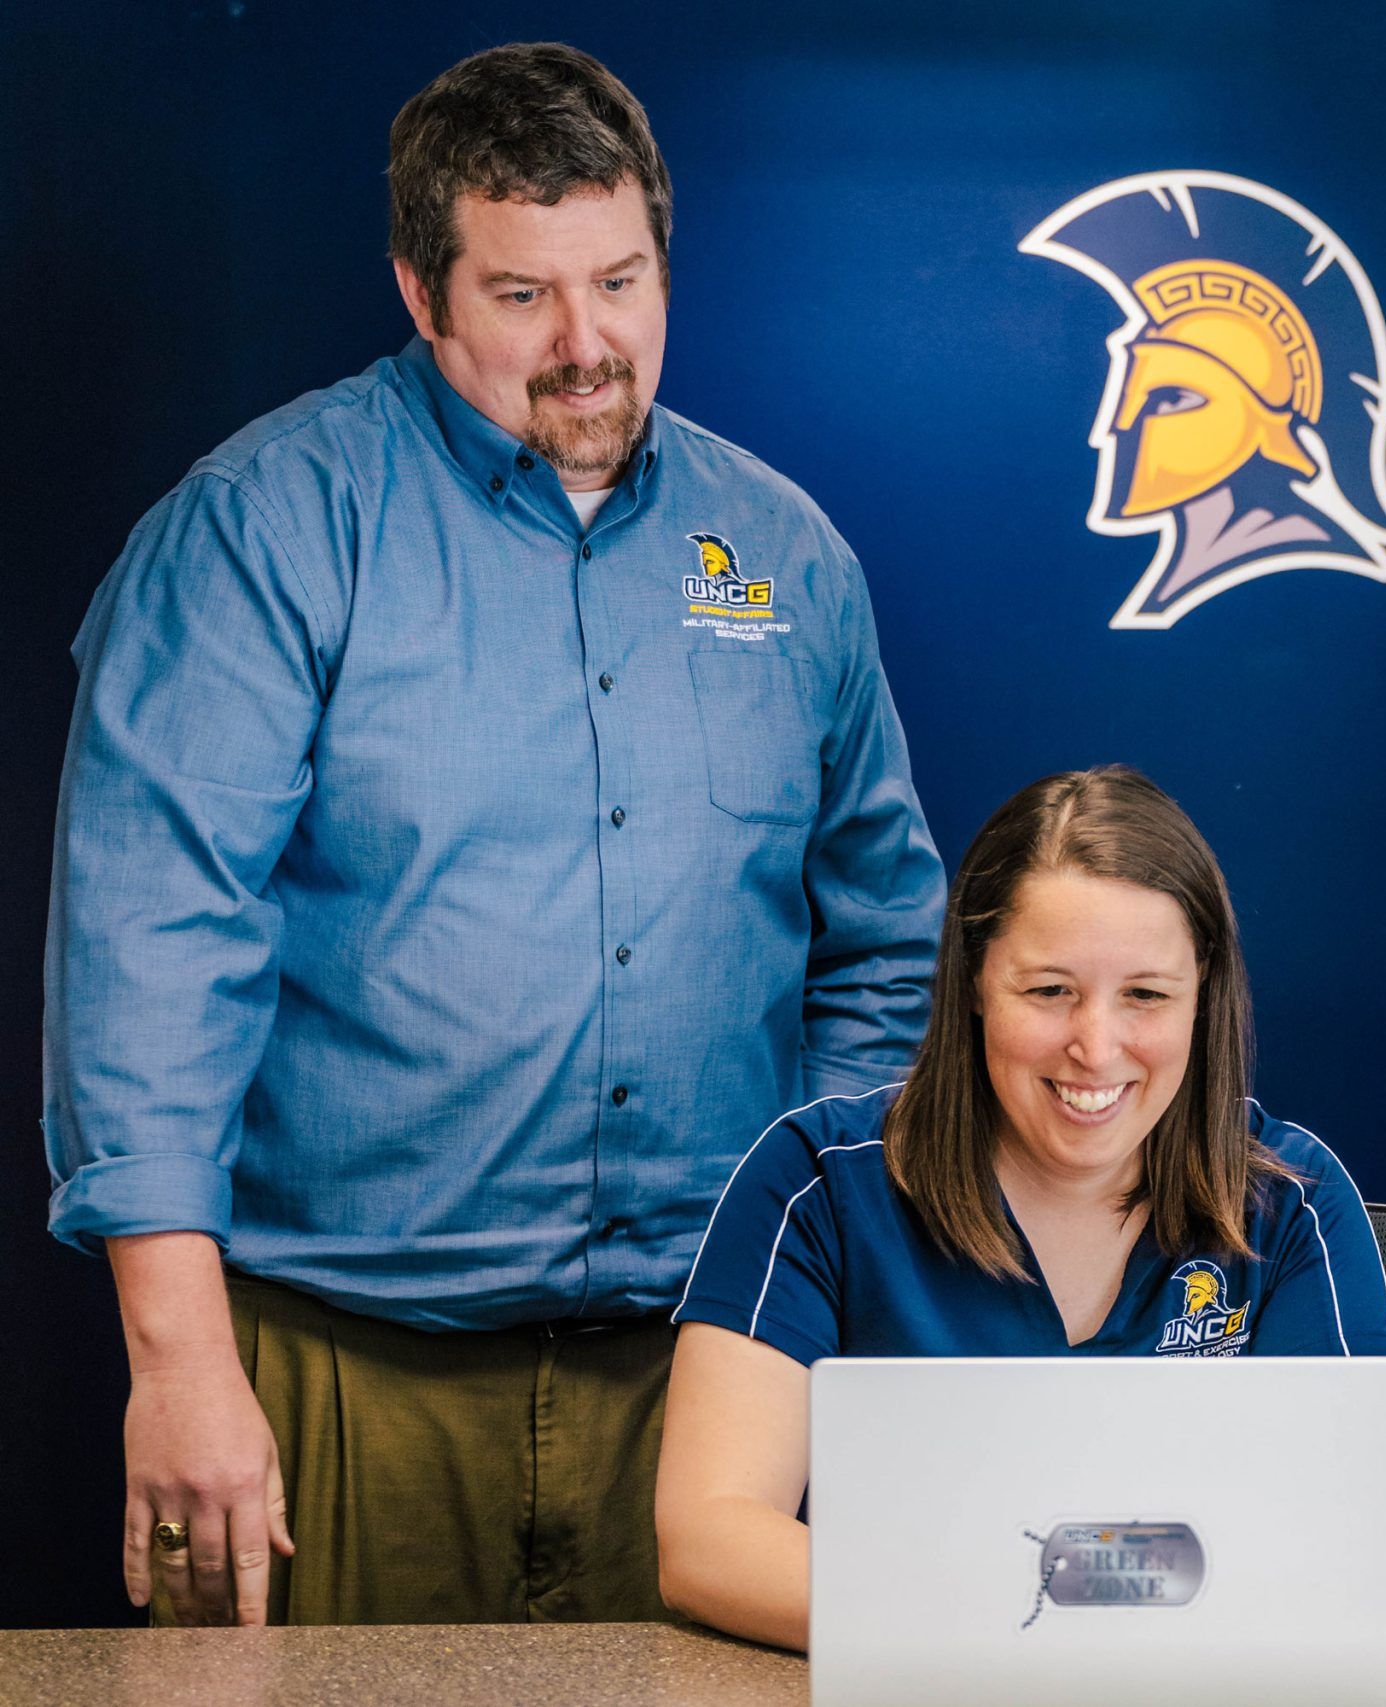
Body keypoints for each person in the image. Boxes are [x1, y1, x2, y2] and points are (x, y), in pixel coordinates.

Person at [43, 44, 944, 1627]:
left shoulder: (783, 555)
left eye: (622, 280)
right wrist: (177, 1363)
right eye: (525, 295)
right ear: (421, 289)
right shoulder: (264, 529)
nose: (588, 345)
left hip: (702, 1380)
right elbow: (149, 949)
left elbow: (882, 942)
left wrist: (813, 1270)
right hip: (339, 1372)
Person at [654, 766, 1386, 1650]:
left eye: (1147, 995)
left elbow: (1345, 1550)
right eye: (1050, 990)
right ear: (973, 982)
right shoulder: (813, 1182)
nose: (1096, 1045)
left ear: (1205, 999)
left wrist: (1027, 1592)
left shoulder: (1293, 1200)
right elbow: (709, 1539)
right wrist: (1017, 1617)